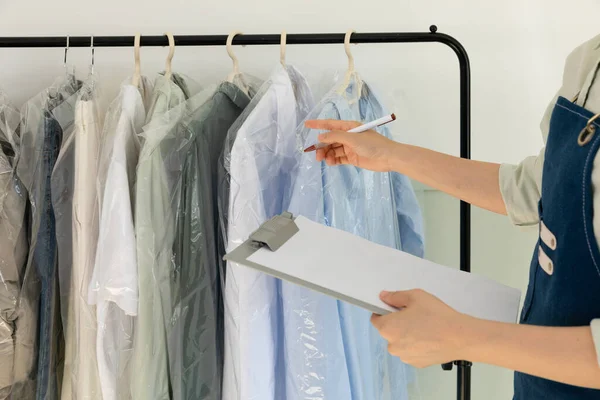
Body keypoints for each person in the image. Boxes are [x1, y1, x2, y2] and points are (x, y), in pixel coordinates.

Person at [306, 33, 600, 398]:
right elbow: (538, 190)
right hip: (540, 383)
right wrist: (390, 155)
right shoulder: (589, 60)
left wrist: (460, 337)